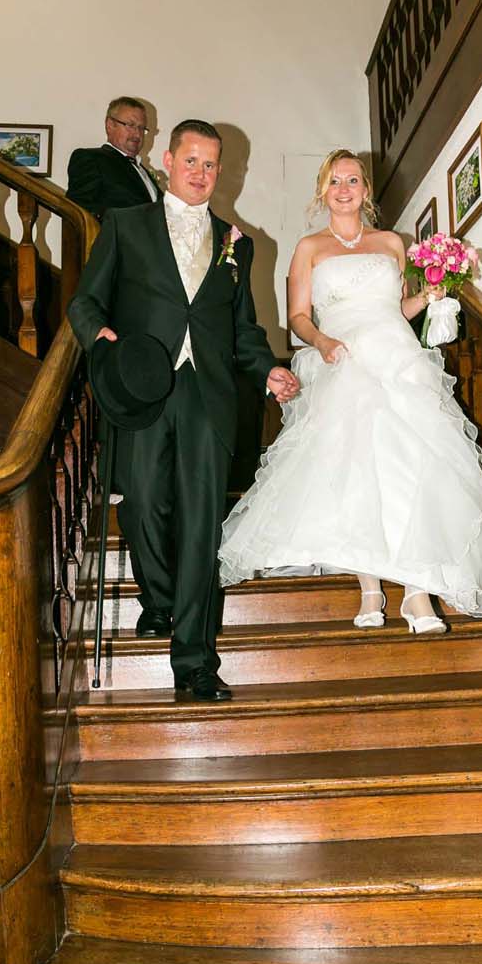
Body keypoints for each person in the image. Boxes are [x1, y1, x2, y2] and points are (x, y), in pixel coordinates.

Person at [218, 149, 482, 635]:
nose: (345, 188)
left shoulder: (392, 242)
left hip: (398, 356)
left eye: (353, 180)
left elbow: (399, 308)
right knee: (357, 470)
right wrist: (323, 341)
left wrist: (433, 293)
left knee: (414, 465)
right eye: (335, 181)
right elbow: (297, 316)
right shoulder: (309, 247)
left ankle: (417, 594)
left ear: (365, 190)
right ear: (322, 190)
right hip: (344, 357)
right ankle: (371, 587)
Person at [66, 120, 300, 701]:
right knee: (143, 504)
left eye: (211, 165)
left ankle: (195, 662)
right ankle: (163, 599)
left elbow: (243, 328)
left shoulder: (236, 243)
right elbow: (85, 302)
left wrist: (265, 367)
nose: (201, 174)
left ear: (221, 171)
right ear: (168, 160)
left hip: (209, 395)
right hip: (144, 385)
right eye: (191, 161)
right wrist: (107, 342)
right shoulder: (125, 225)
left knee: (201, 525)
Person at [66, 96, 162, 220]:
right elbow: (78, 211)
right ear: (110, 125)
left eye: (141, 128)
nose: (137, 134)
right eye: (130, 125)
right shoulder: (92, 159)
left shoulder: (142, 170)